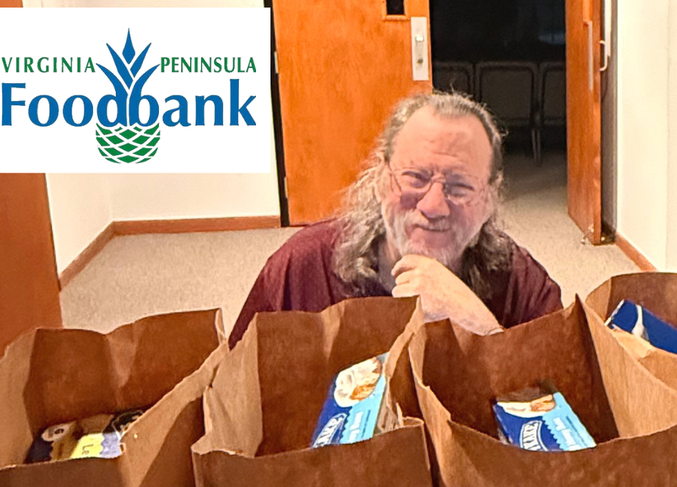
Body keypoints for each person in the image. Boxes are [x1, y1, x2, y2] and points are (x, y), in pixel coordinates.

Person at [229, 92, 563, 347]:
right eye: (415, 177)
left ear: (489, 199)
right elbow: (231, 396)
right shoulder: (300, 269)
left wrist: (482, 330)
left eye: (459, 186)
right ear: (380, 179)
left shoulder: (520, 282)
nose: (433, 206)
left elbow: (565, 405)